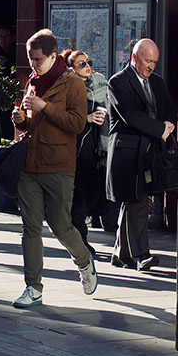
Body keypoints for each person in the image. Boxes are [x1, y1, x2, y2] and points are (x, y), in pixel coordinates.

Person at [8, 29, 97, 308]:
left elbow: (77, 124)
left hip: (58, 165)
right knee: (30, 228)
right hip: (30, 165)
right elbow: (30, 123)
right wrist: (20, 119)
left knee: (61, 226)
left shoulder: (73, 84)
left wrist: (44, 106)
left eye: (37, 59)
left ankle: (84, 262)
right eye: (30, 59)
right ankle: (33, 288)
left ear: (53, 56)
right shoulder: (33, 82)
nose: (33, 64)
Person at [106, 38, 176, 271]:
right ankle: (141, 254)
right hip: (128, 153)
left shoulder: (157, 82)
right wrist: (160, 129)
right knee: (136, 200)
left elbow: (169, 108)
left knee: (134, 200)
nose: (151, 66)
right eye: (147, 61)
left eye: (155, 62)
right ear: (134, 58)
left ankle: (120, 254)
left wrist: (169, 124)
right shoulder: (118, 82)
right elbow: (131, 115)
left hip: (151, 153)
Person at [66, 50, 115, 249]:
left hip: (97, 149)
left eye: (88, 62)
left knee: (93, 194)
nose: (87, 67)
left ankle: (76, 234)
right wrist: (86, 118)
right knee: (79, 197)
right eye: (81, 64)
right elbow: (64, 117)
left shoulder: (99, 84)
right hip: (76, 149)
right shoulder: (69, 88)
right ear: (72, 69)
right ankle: (81, 243)